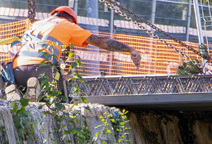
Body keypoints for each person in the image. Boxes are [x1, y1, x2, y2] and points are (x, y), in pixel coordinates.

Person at [12, 6, 142, 100]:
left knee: (28, 96)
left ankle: (17, 90)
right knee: (62, 100)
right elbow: (102, 42)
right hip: (41, 70)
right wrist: (129, 49)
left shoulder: (36, 24)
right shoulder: (69, 26)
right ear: (72, 19)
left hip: (16, 70)